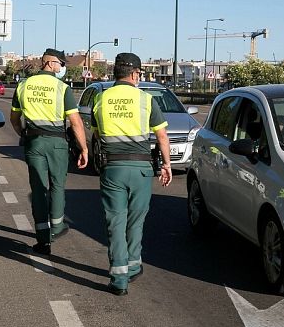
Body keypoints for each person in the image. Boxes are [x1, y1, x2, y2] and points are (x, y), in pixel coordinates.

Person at [91, 52, 172, 296]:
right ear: (135, 74)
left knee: (115, 221)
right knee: (136, 221)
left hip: (112, 169)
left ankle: (119, 279)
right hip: (141, 170)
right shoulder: (146, 100)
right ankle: (134, 266)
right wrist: (166, 165)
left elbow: (96, 134)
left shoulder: (101, 99)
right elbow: (162, 137)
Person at [10, 48, 89, 255]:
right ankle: (57, 226)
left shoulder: (23, 85)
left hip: (34, 142)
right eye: (61, 64)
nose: (62, 68)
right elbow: (75, 122)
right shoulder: (62, 88)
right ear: (51, 63)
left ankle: (43, 239)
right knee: (57, 185)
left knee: (38, 189)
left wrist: (24, 133)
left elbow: (14, 118)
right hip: (57, 143)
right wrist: (84, 148)